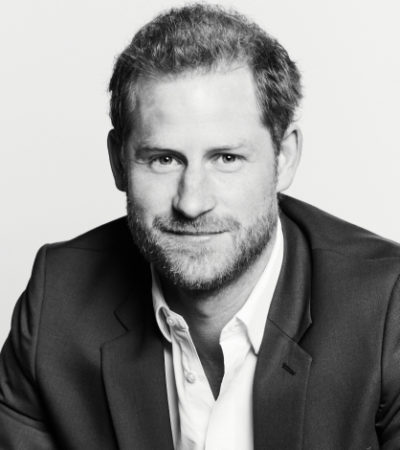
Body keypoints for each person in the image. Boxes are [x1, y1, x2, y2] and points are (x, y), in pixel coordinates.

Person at [1, 3, 400, 449]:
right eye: (163, 159)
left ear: (284, 158)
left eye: (227, 158)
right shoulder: (57, 300)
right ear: (118, 162)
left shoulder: (387, 307)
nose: (192, 202)